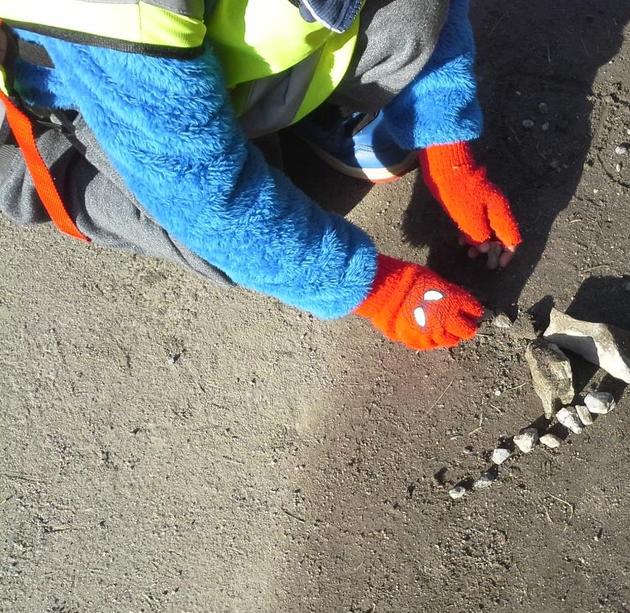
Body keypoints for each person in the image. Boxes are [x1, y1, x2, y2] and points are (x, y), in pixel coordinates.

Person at [0, 0, 522, 350]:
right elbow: (203, 197)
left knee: (404, 21)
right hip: (94, 83)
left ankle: (299, 108)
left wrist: (448, 145)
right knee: (197, 228)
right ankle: (47, 170)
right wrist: (379, 288)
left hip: (205, 57)